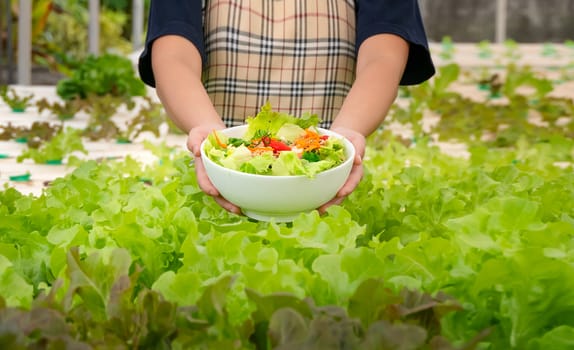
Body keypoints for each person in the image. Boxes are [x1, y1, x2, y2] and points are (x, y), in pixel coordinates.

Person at [138, 0, 435, 215]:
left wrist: (347, 138)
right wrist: (213, 142)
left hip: (331, 187)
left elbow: (383, 55)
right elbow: (173, 54)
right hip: (216, 185)